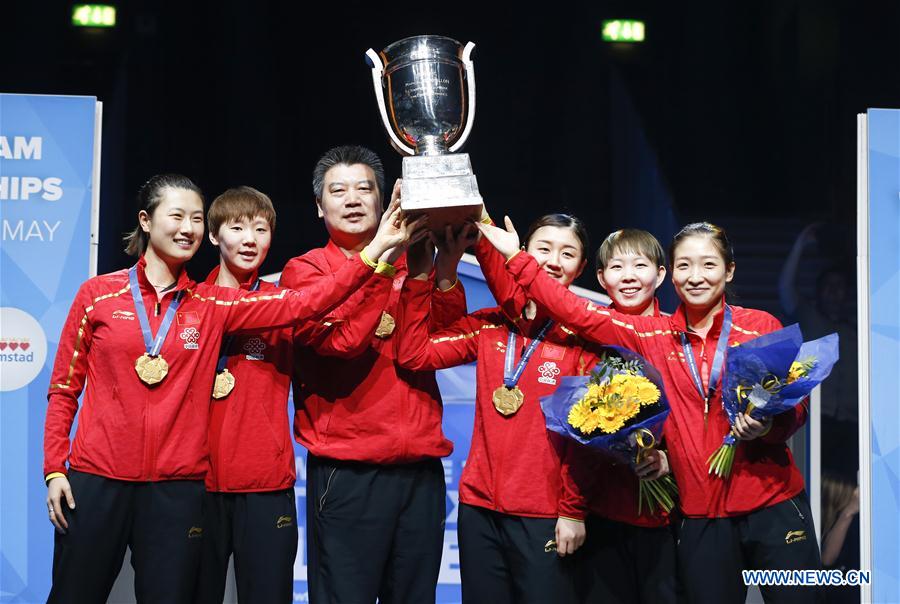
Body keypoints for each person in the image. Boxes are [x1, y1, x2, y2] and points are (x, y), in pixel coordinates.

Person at [43, 174, 416, 603]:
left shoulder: (211, 306)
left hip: (175, 489)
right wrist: (55, 466)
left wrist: (376, 252)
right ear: (146, 220)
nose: (188, 228)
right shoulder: (98, 295)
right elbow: (64, 388)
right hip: (98, 478)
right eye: (177, 216)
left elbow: (306, 301)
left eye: (196, 219)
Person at [477, 218, 822, 603]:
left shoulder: (759, 325)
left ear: (730, 270)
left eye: (708, 265)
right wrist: (515, 258)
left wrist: (768, 426)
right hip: (701, 516)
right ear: (671, 275)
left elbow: (796, 407)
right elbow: (573, 309)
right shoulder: (650, 336)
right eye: (685, 265)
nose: (696, 276)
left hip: (773, 501)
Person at [279, 145, 467, 604]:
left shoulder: (414, 262)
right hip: (348, 474)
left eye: (365, 188)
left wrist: (442, 270)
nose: (353, 199)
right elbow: (341, 343)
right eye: (337, 191)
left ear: (385, 202)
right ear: (319, 206)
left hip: (420, 472)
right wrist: (382, 260)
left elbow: (443, 339)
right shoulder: (305, 272)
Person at [396, 214, 595, 604]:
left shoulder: (586, 342)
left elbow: (586, 439)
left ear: (582, 268)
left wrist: (572, 510)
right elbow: (416, 353)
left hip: (546, 514)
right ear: (519, 252)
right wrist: (435, 272)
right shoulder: (491, 326)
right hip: (479, 509)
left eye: (567, 253)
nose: (553, 261)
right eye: (543, 249)